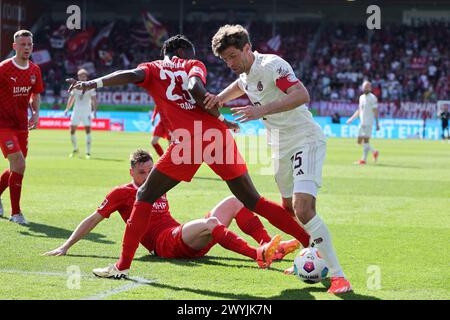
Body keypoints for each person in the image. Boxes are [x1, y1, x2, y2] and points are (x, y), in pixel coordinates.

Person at [67, 34, 311, 279]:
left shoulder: (152, 68)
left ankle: (121, 266)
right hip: (216, 136)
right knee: (252, 200)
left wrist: (93, 84)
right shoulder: (193, 66)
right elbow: (195, 87)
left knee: (144, 195)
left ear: (166, 53)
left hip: (188, 141)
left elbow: (128, 74)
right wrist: (220, 118)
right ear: (183, 52)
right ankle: (309, 241)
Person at [204, 24, 351, 294]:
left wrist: (260, 110)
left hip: (304, 138)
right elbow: (241, 85)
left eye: (234, 56)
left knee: (304, 208)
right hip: (279, 145)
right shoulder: (246, 74)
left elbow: (301, 95)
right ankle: (310, 256)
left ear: (248, 48)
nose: (230, 63)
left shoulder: (272, 65)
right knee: (288, 208)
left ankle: (339, 276)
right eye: (225, 59)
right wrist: (220, 99)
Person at [44, 149, 300, 270]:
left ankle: (270, 247)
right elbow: (94, 218)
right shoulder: (122, 193)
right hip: (164, 245)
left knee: (234, 201)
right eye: (142, 173)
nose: (148, 177)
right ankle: (257, 254)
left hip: (181, 236)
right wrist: (66, 246)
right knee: (211, 224)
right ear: (131, 172)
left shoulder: (157, 183)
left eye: (151, 171)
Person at [0, 30, 44, 225]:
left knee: (16, 167)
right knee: (19, 164)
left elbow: (36, 94)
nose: (27, 47)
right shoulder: (3, 69)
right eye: (23, 44)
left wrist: (36, 113)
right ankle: (15, 213)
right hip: (3, 125)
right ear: (14, 47)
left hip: (21, 125)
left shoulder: (35, 70)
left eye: (29, 45)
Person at [64, 68, 97, 159]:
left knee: (87, 131)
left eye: (83, 76)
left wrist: (94, 111)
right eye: (80, 76)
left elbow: (94, 100)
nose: (82, 77)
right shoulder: (75, 86)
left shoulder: (91, 86)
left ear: (86, 77)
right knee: (72, 131)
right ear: (78, 76)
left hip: (86, 112)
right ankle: (75, 149)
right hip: (76, 111)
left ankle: (88, 152)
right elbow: (71, 99)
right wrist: (67, 109)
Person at [346, 81, 380, 165]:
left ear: (370, 88)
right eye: (364, 87)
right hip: (362, 122)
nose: (365, 88)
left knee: (365, 140)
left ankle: (363, 160)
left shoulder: (373, 98)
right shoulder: (361, 97)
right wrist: (351, 119)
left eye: (367, 87)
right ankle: (374, 151)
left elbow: (375, 111)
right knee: (359, 141)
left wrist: (377, 123)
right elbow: (359, 110)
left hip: (369, 122)